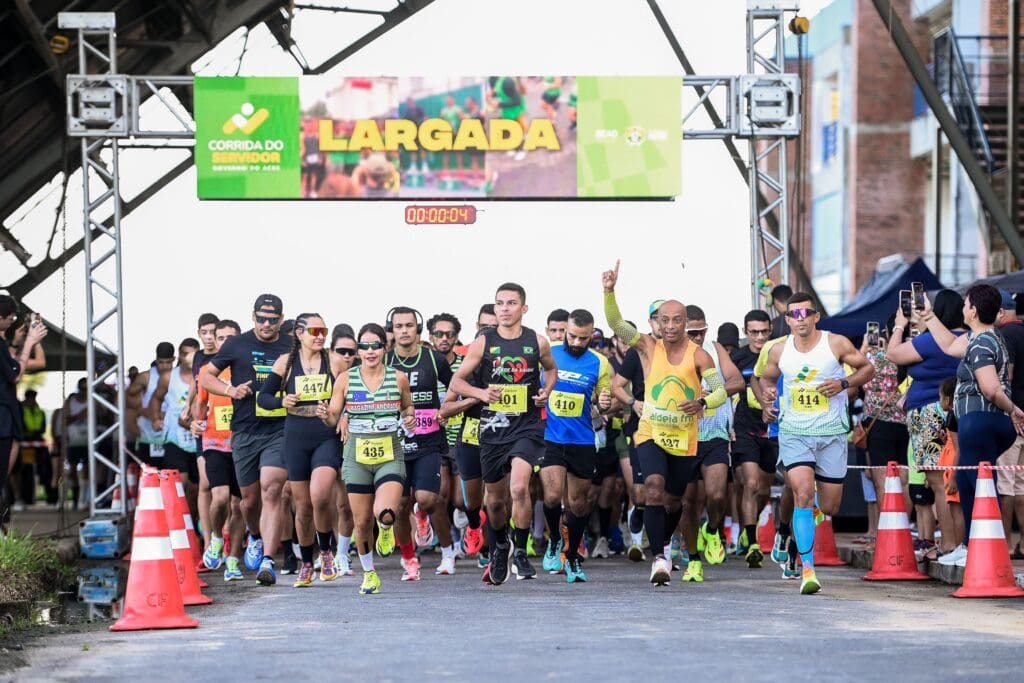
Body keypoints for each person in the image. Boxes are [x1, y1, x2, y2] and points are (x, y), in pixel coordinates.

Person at [602, 262, 729, 586]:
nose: (670, 326)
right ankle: (659, 557)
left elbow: (719, 392)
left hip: (684, 437)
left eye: (676, 320)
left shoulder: (700, 356)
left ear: (686, 323)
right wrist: (609, 291)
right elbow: (616, 323)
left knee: (675, 501)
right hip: (650, 433)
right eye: (664, 320)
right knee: (653, 488)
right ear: (657, 323)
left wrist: (701, 402)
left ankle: (667, 544)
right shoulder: (646, 346)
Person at [761, 292, 873, 595]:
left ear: (815, 316)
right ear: (786, 320)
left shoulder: (835, 343)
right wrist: (766, 399)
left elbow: (868, 369)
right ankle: (807, 568)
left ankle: (792, 538)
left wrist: (843, 383)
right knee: (802, 492)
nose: (800, 320)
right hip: (794, 432)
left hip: (832, 434)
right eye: (793, 315)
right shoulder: (778, 350)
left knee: (831, 506)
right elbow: (764, 379)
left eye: (805, 314)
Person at [449, 282, 557, 585]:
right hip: (494, 427)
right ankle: (499, 546)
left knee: (520, 487)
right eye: (500, 303)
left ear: (523, 308)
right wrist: (481, 394)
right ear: (495, 308)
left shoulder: (537, 341)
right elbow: (457, 382)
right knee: (494, 501)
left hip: (527, 425)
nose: (505, 309)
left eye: (511, 303)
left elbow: (551, 370)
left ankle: (520, 551)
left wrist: (546, 391)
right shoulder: (484, 342)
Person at [916, 284, 1024, 567]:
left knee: (979, 484)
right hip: (980, 421)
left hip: (982, 420)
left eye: (966, 304)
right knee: (966, 480)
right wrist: (928, 316)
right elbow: (950, 345)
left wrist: (1013, 411)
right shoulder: (982, 336)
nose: (963, 308)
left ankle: (985, 550)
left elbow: (991, 388)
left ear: (973, 310)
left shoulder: (981, 343)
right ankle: (970, 545)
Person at [318, 323, 416, 595]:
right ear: (359, 350)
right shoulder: (346, 379)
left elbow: (408, 405)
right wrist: (325, 413)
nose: (370, 351)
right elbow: (333, 416)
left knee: (385, 512)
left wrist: (409, 415)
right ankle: (369, 574)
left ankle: (386, 529)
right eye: (365, 346)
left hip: (389, 453)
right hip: (356, 455)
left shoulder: (398, 378)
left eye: (376, 345)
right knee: (360, 522)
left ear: (385, 348)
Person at [201, 294, 292, 586]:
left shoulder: (290, 346)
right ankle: (253, 534)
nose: (266, 324)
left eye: (273, 319)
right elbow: (206, 377)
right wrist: (230, 391)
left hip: (279, 430)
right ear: (252, 317)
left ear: (281, 318)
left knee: (272, 489)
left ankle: (267, 560)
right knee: (248, 502)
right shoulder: (236, 344)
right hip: (244, 432)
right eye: (261, 318)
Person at [257, 313, 341, 587]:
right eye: (315, 331)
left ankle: (327, 551)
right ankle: (307, 562)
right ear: (300, 334)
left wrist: (340, 414)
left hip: (325, 435)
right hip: (295, 437)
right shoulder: (286, 362)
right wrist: (284, 400)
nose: (320, 336)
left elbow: (351, 395)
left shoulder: (334, 361)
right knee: (302, 507)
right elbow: (265, 398)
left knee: (320, 495)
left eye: (324, 331)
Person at [886, 289, 965, 559]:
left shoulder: (932, 341)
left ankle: (949, 544)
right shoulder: (964, 339)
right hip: (953, 411)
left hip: (929, 414)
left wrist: (899, 323)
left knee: (937, 481)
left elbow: (893, 354)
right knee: (952, 479)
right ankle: (956, 543)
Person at [538, 309, 612, 582]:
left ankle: (571, 557)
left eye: (584, 338)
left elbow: (605, 397)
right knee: (552, 496)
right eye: (573, 336)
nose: (577, 342)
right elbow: (534, 387)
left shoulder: (600, 362)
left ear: (591, 335)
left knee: (578, 505)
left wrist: (604, 403)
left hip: (582, 439)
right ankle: (555, 540)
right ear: (565, 331)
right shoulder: (549, 353)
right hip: (552, 437)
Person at [384, 307, 454, 580]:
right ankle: (409, 558)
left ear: (418, 329)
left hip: (429, 440)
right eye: (399, 326)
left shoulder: (434, 359)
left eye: (409, 325)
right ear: (392, 329)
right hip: (396, 443)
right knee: (399, 507)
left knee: (427, 499)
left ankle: (447, 550)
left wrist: (446, 409)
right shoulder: (385, 361)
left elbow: (456, 385)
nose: (404, 330)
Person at [679, 305, 744, 582]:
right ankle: (694, 558)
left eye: (701, 331)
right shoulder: (671, 354)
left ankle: (714, 530)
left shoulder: (715, 351)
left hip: (714, 434)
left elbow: (738, 382)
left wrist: (712, 394)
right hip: (682, 437)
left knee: (717, 495)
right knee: (686, 502)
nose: (697, 337)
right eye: (692, 332)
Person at [610, 300, 664, 561]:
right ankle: (639, 534)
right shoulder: (638, 350)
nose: (663, 323)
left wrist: (705, 398)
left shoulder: (689, 350)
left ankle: (664, 549)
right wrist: (633, 402)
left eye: (669, 318)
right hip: (643, 427)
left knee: (672, 493)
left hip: (678, 428)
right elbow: (616, 385)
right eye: (657, 318)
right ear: (650, 321)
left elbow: (711, 382)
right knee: (643, 491)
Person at [194, 320, 246, 581]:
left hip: (243, 445)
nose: (226, 342)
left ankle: (234, 560)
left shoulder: (247, 369)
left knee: (240, 506)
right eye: (221, 337)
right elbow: (198, 404)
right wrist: (194, 421)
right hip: (214, 444)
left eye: (231, 337)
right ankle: (216, 537)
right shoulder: (207, 371)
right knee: (221, 498)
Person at [730, 310, 776, 568]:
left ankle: (749, 528)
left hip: (772, 430)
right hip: (744, 428)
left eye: (764, 331)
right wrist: (728, 426)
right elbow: (724, 392)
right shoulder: (737, 358)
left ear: (770, 330)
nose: (759, 337)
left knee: (764, 490)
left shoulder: (780, 354)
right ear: (746, 332)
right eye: (754, 332)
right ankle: (751, 541)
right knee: (750, 483)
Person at [860, 320, 912, 530]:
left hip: (879, 425)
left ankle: (888, 532)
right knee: (905, 480)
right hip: (906, 424)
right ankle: (904, 528)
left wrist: (865, 348)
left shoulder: (877, 358)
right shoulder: (914, 355)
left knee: (883, 481)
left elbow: (860, 380)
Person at [0, 296, 46, 527]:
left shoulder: (4, 346)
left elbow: (15, 365)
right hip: (3, 413)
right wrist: (30, 342)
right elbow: (16, 373)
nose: (12, 322)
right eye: (10, 318)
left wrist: (20, 343)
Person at [994, 290, 1024, 558]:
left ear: (1001, 312)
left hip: (1014, 415)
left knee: (1007, 483)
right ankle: (1023, 544)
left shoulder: (1004, 336)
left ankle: (1002, 543)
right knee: (1022, 483)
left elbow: (1006, 377)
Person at [328, 325, 358, 576]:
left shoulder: (361, 374)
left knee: (347, 503)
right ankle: (327, 552)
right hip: (325, 441)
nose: (347, 356)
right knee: (326, 501)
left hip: (354, 442)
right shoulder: (322, 374)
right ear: (331, 351)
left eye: (352, 352)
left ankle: (342, 553)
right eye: (341, 351)